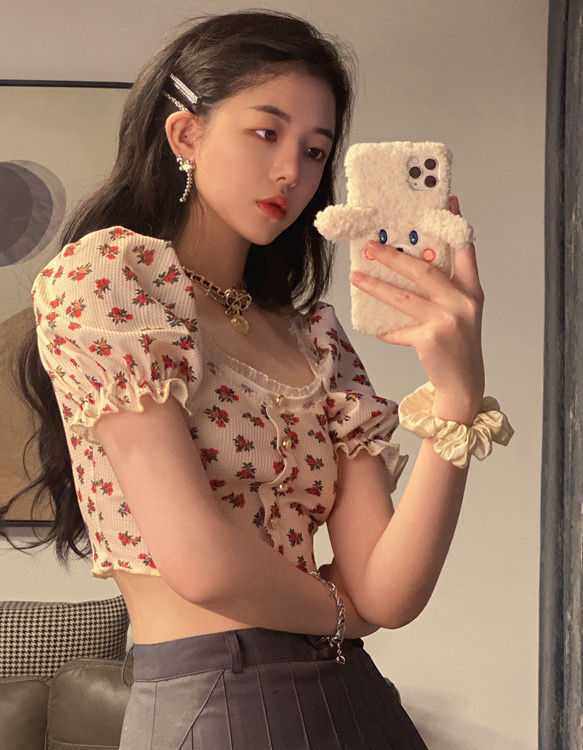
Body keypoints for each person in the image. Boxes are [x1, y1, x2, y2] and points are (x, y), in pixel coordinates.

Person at [5, 8, 513, 750]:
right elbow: (202, 565)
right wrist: (344, 615)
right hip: (220, 703)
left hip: (359, 698)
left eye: (314, 151)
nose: (291, 173)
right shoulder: (112, 280)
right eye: (266, 133)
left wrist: (458, 393)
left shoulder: (311, 335)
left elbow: (390, 591)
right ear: (186, 135)